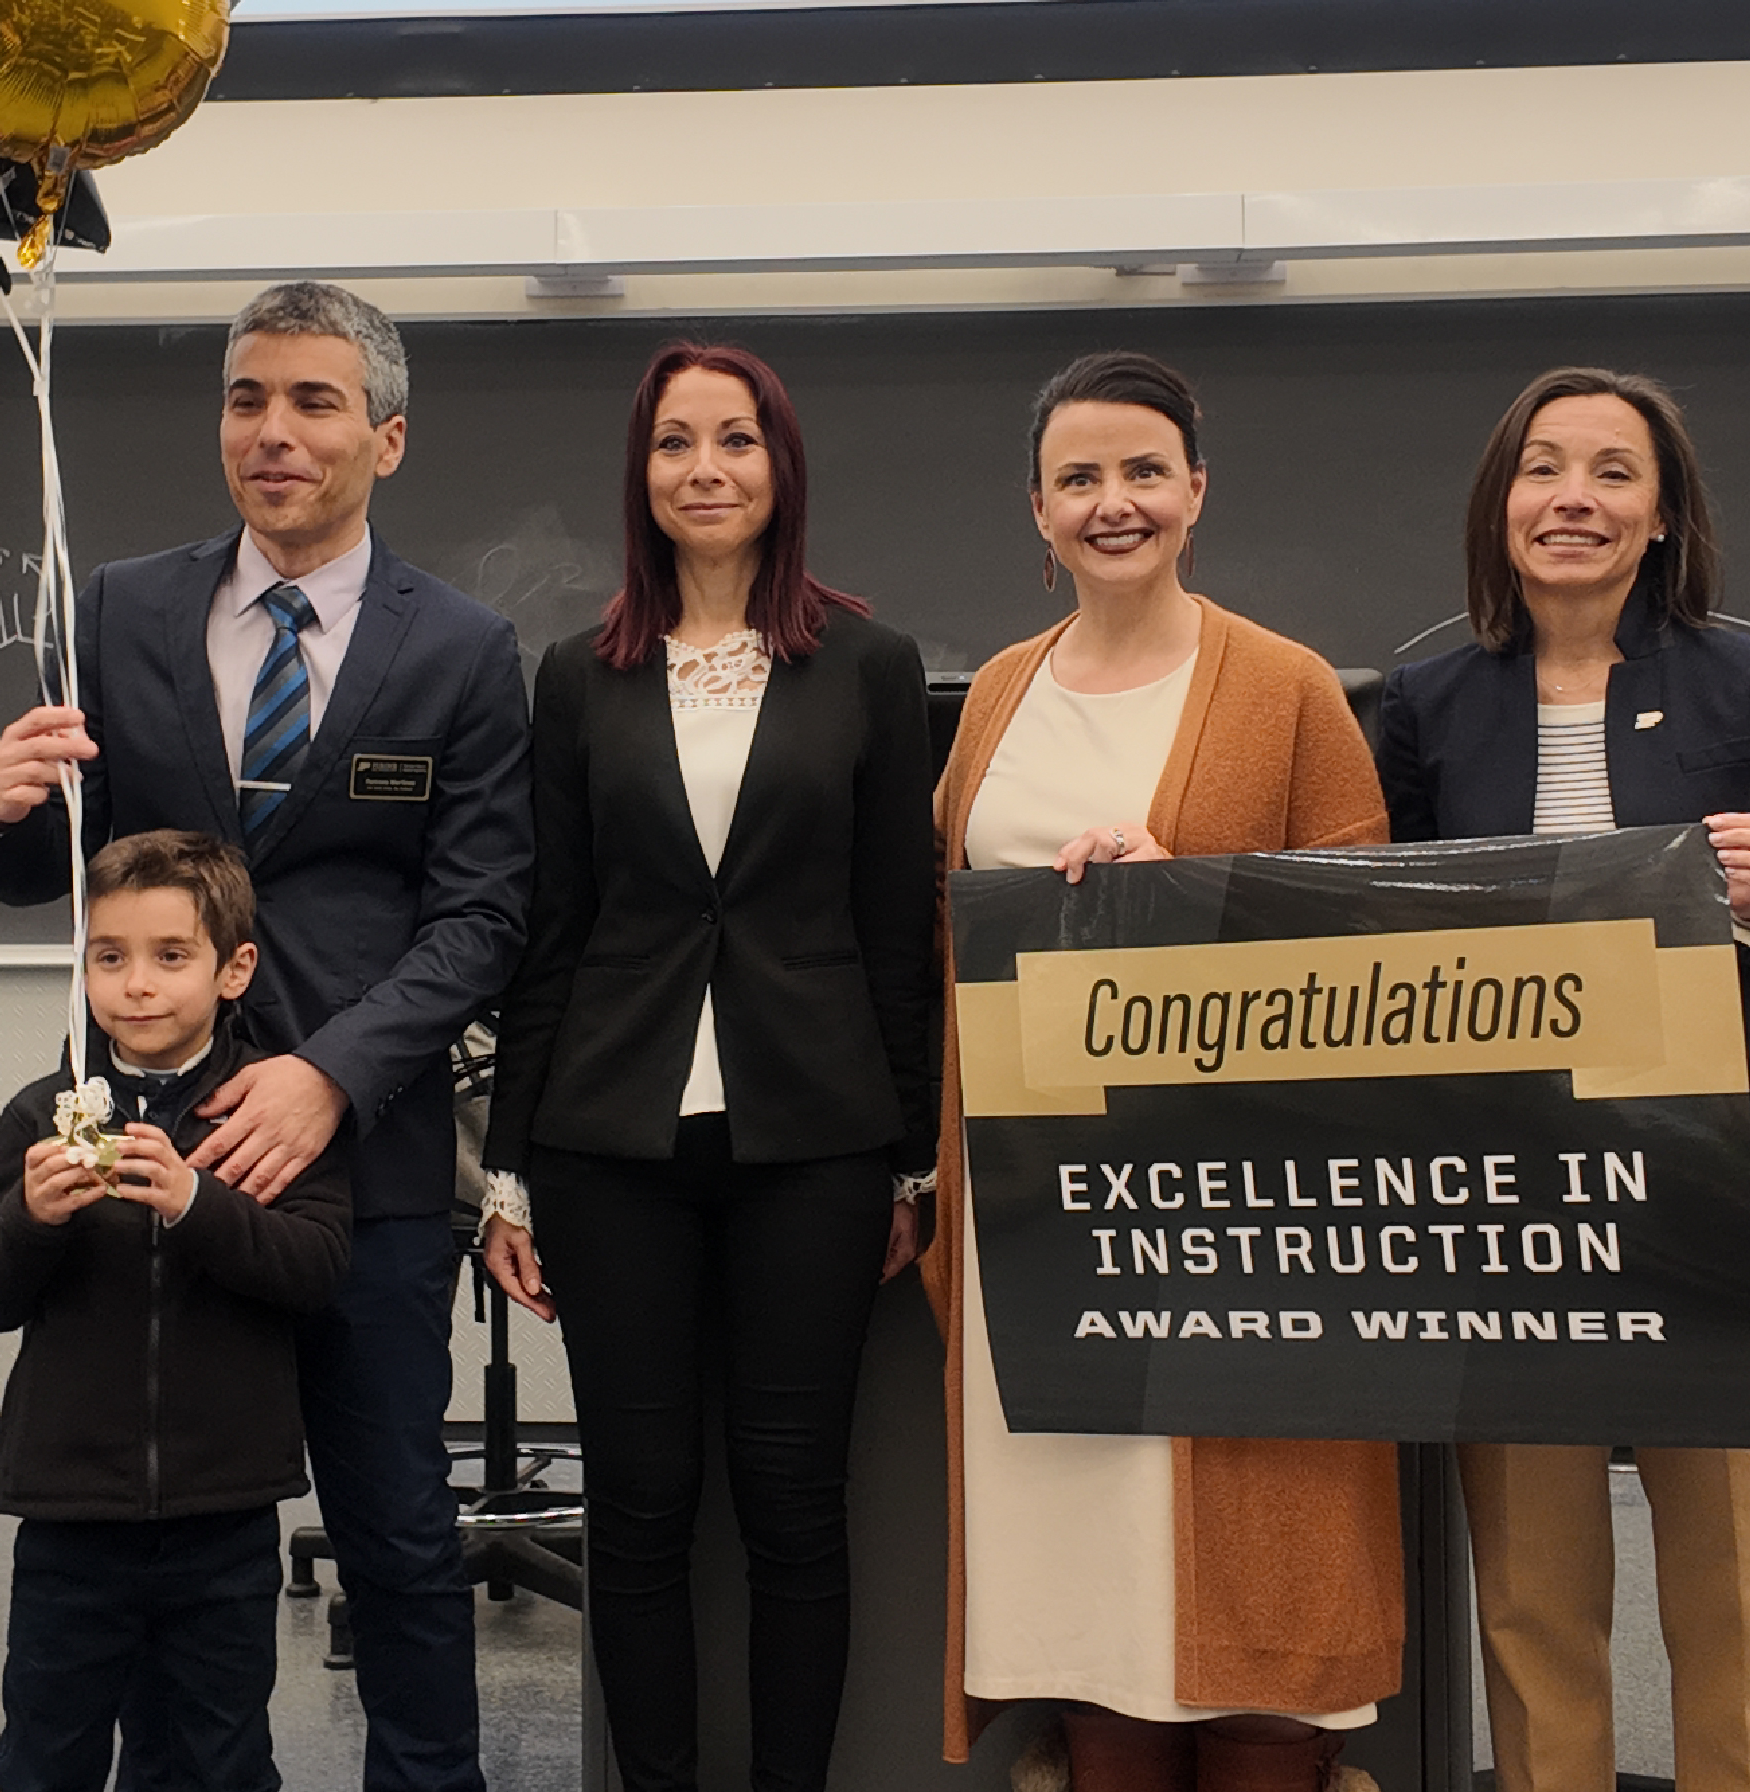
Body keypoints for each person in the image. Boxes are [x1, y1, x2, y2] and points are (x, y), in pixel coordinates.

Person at [0, 281, 534, 1792]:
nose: (273, 432)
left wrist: (331, 1072)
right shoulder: (114, 609)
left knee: (398, 1534)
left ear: (387, 437)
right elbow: (51, 865)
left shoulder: (466, 650)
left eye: (314, 402)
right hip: (143, 1146)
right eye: (245, 399)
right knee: (150, 1537)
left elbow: (482, 919)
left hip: (365, 1161)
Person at [923, 350, 1405, 1792]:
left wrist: (1187, 894)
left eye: (1144, 471)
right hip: (1038, 1231)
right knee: (1092, 1638)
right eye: (1081, 478)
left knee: (1257, 1624)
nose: (1113, 501)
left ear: (1196, 492)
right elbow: (933, 938)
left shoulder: (1286, 687)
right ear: (1038, 509)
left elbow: (1372, 945)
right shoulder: (999, 695)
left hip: (1236, 1237)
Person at [478, 341, 936, 1792]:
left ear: (780, 465)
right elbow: (553, 932)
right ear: (644, 477)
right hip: (612, 1144)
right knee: (642, 1508)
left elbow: (891, 930)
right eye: (676, 443)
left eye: (735, 440)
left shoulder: (869, 664)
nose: (706, 469)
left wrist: (912, 1160)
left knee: (797, 1503)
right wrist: (505, 1175)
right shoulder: (578, 677)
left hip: (817, 1142)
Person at [1378, 366, 1750, 1792]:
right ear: (1502, 501)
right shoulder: (1424, 698)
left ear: (1661, 517)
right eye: (1544, 468)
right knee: (1532, 1589)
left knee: (1724, 1581)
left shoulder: (1739, 676)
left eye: (1612, 472)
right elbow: (1372, 932)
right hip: (1508, 1187)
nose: (1573, 499)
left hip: (1707, 1184)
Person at [0, 829, 351, 1792]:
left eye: (171, 957)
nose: (137, 984)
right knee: (49, 1748)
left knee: (217, 1753)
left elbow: (319, 1268)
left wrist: (197, 1204)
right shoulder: (39, 1115)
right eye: (109, 956)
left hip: (223, 1512)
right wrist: (32, 1218)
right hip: (71, 1513)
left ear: (233, 969)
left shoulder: (269, 1113)